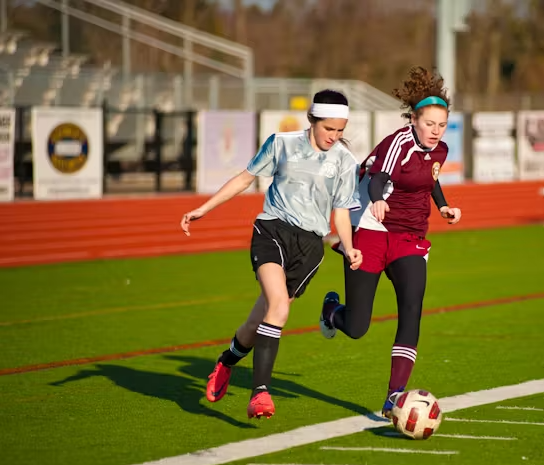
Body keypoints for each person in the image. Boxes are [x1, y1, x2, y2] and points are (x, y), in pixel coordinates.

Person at [179, 89, 363, 420]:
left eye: (340, 131)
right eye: (328, 129)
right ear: (312, 120)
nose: (334, 137)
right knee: (278, 307)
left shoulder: (345, 162)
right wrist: (204, 209)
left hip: (309, 249)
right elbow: (245, 178)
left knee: (259, 320)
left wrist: (349, 248)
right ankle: (260, 393)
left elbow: (340, 214)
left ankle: (227, 361)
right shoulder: (281, 143)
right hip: (271, 231)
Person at [317, 66, 463, 418]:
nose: (435, 131)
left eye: (441, 125)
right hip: (371, 228)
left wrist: (443, 206)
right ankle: (331, 312)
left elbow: (431, 178)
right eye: (429, 124)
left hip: (410, 237)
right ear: (414, 119)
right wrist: (379, 197)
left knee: (411, 309)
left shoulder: (439, 150)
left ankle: (394, 396)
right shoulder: (399, 142)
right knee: (357, 327)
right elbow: (379, 176)